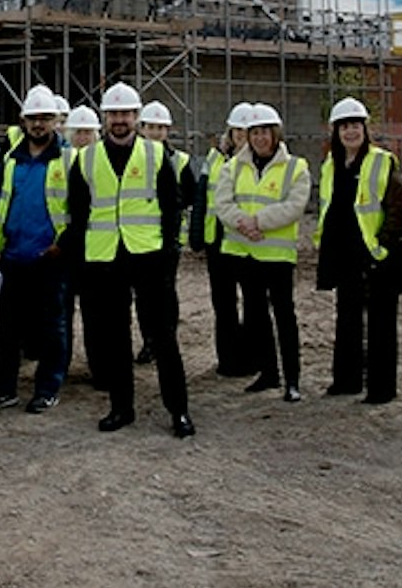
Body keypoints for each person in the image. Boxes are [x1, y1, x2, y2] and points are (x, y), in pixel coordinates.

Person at [61, 82, 193, 438]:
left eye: (127, 114)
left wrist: (168, 254)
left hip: (148, 256)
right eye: (114, 114)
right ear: (105, 118)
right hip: (104, 259)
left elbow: (172, 207)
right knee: (114, 338)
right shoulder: (86, 159)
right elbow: (77, 213)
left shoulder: (155, 156)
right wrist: (84, 264)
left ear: (136, 117)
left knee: (163, 336)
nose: (120, 120)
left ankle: (178, 410)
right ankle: (122, 407)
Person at [0, 84, 73, 414]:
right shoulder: (9, 159)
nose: (39, 124)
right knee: (6, 330)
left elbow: (80, 208)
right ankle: (4, 388)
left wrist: (64, 245)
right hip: (13, 257)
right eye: (33, 118)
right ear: (23, 120)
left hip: (50, 258)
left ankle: (47, 388)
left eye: (46, 118)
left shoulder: (68, 159)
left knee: (52, 328)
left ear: (56, 121)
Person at [314, 97, 402, 403]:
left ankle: (381, 389)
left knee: (381, 324)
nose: (350, 132)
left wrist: (384, 243)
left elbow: (401, 201)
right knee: (347, 319)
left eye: (355, 125)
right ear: (336, 131)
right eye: (344, 126)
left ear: (365, 128)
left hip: (378, 255)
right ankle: (347, 381)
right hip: (345, 254)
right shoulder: (332, 164)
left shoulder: (381, 161)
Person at [213, 103, 310, 401]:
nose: (260, 138)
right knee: (257, 317)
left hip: (277, 257)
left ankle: (292, 379)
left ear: (275, 133)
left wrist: (258, 222)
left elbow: (295, 206)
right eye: (254, 132)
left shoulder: (296, 167)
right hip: (245, 254)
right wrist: (243, 224)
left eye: (265, 131)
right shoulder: (232, 167)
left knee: (284, 316)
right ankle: (269, 373)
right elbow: (223, 203)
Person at [197, 104, 256, 378]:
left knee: (253, 301)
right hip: (218, 241)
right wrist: (197, 233)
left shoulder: (258, 161)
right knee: (224, 303)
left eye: (247, 131)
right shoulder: (214, 158)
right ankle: (228, 361)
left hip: (246, 240)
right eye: (237, 130)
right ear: (230, 132)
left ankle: (251, 358)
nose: (241, 135)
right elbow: (201, 197)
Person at [134, 101, 190, 366]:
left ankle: (167, 339)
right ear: (141, 128)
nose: (156, 132)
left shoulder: (179, 160)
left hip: (168, 239)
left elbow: (189, 195)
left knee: (166, 293)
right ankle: (149, 342)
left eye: (160, 128)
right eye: (151, 127)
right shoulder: (133, 158)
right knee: (143, 296)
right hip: (140, 239)